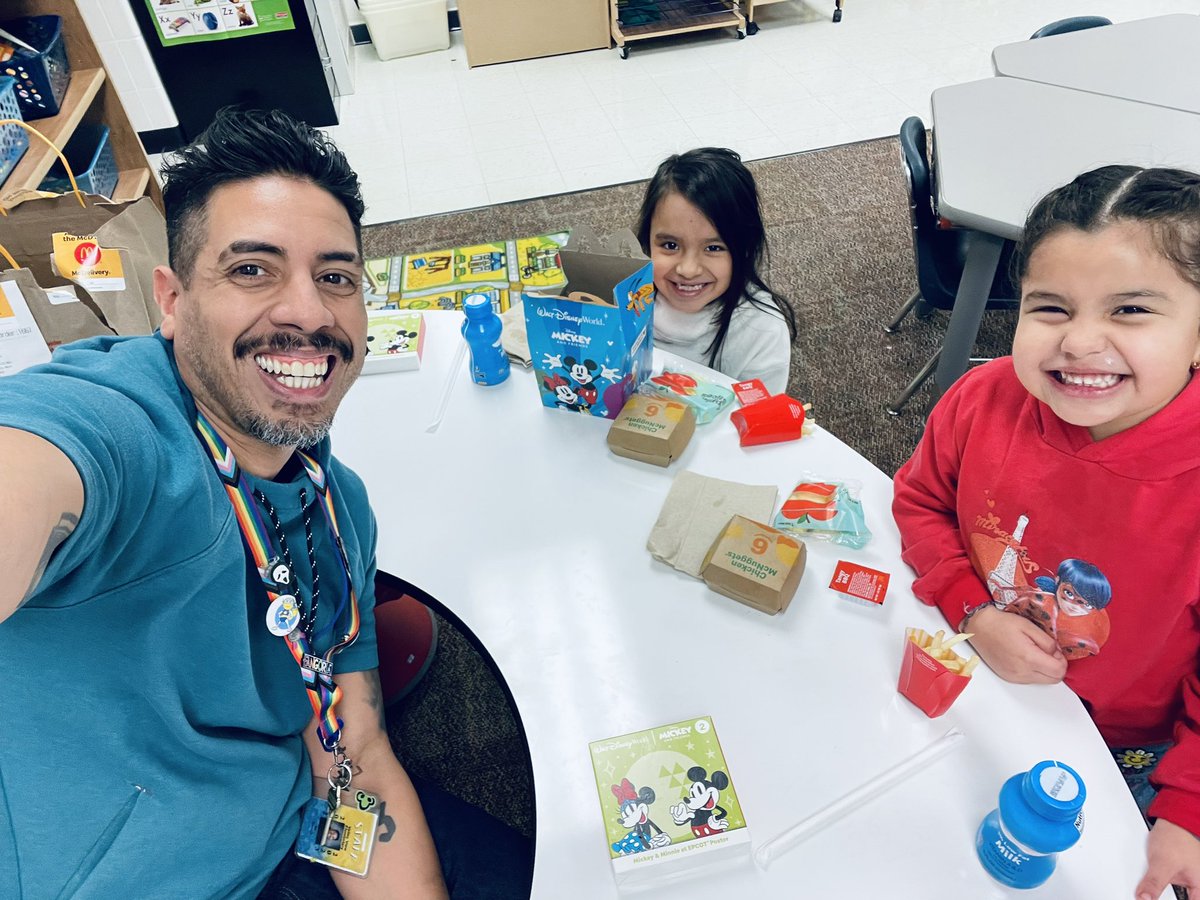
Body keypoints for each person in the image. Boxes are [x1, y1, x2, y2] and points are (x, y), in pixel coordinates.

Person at [0, 107, 529, 899]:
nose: (309, 313)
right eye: (252, 270)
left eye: (336, 277)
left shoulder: (337, 506)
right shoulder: (116, 428)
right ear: (171, 302)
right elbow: (36, 467)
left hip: (288, 832)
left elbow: (356, 758)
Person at [892, 165, 1200, 900]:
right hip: (974, 672)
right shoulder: (980, 398)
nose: (1081, 341)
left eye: (1130, 310)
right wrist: (974, 608)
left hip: (1128, 752)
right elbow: (919, 502)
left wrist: (1187, 805)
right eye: (1051, 307)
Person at [635, 147, 796, 395]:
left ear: (743, 248)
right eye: (670, 245)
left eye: (713, 247)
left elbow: (758, 420)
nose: (687, 270)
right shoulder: (622, 301)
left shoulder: (762, 331)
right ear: (647, 241)